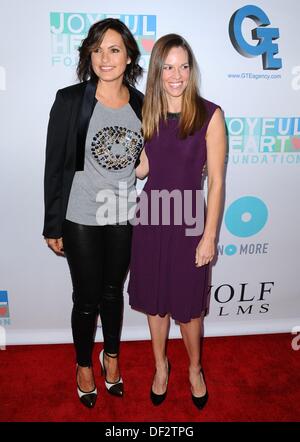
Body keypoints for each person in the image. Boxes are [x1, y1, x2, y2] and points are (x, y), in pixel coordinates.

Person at [43, 18, 143, 408]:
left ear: (128, 55)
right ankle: (84, 365)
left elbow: (146, 159)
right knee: (86, 298)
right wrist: (53, 223)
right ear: (89, 54)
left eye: (114, 49)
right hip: (80, 213)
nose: (105, 57)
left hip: (122, 213)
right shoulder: (70, 100)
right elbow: (55, 165)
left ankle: (111, 357)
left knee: (113, 293)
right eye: (98, 49)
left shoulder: (140, 101)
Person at [128, 34, 226, 409]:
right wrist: (124, 159)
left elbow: (216, 181)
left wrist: (209, 236)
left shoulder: (209, 114)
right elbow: (145, 169)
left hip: (188, 223)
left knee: (188, 310)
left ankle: (195, 369)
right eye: (168, 66)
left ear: (191, 70)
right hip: (152, 218)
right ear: (157, 72)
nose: (176, 74)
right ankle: (160, 367)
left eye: (183, 66)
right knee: (155, 305)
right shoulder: (147, 113)